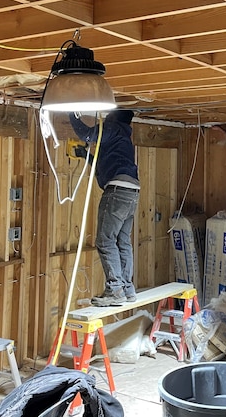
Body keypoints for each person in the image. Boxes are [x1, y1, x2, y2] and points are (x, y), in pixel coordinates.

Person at [69, 110, 140, 307]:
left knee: (106, 241)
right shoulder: (122, 137)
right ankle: (127, 289)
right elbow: (102, 165)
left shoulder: (112, 128)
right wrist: (85, 155)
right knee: (122, 241)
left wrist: (71, 114)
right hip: (131, 191)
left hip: (116, 191)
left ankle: (115, 290)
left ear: (114, 117)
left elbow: (87, 135)